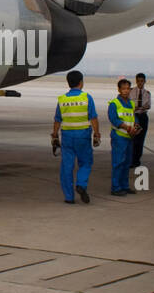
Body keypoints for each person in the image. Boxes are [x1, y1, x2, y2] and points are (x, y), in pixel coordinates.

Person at [51, 70, 100, 204]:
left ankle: (69, 197)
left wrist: (54, 136)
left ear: (68, 83)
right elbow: (93, 118)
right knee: (85, 163)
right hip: (83, 136)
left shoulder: (62, 99)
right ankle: (81, 185)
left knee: (67, 166)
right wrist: (97, 134)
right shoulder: (86, 97)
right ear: (81, 82)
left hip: (67, 137)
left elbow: (57, 120)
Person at [108, 78, 140, 195]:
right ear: (119, 90)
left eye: (127, 89)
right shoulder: (114, 104)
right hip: (119, 137)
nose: (126, 91)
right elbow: (114, 119)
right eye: (123, 89)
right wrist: (127, 128)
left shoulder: (131, 103)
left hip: (129, 137)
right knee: (118, 162)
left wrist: (136, 128)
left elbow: (134, 118)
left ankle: (124, 186)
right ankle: (115, 188)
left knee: (127, 162)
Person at [131, 72, 151, 171]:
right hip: (134, 117)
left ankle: (137, 160)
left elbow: (148, 106)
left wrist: (139, 107)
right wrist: (139, 107)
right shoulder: (131, 91)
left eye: (142, 81)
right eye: (138, 81)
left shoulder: (147, 93)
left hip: (142, 116)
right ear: (136, 81)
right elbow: (130, 106)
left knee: (140, 140)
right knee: (133, 139)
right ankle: (131, 160)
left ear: (145, 81)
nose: (140, 83)